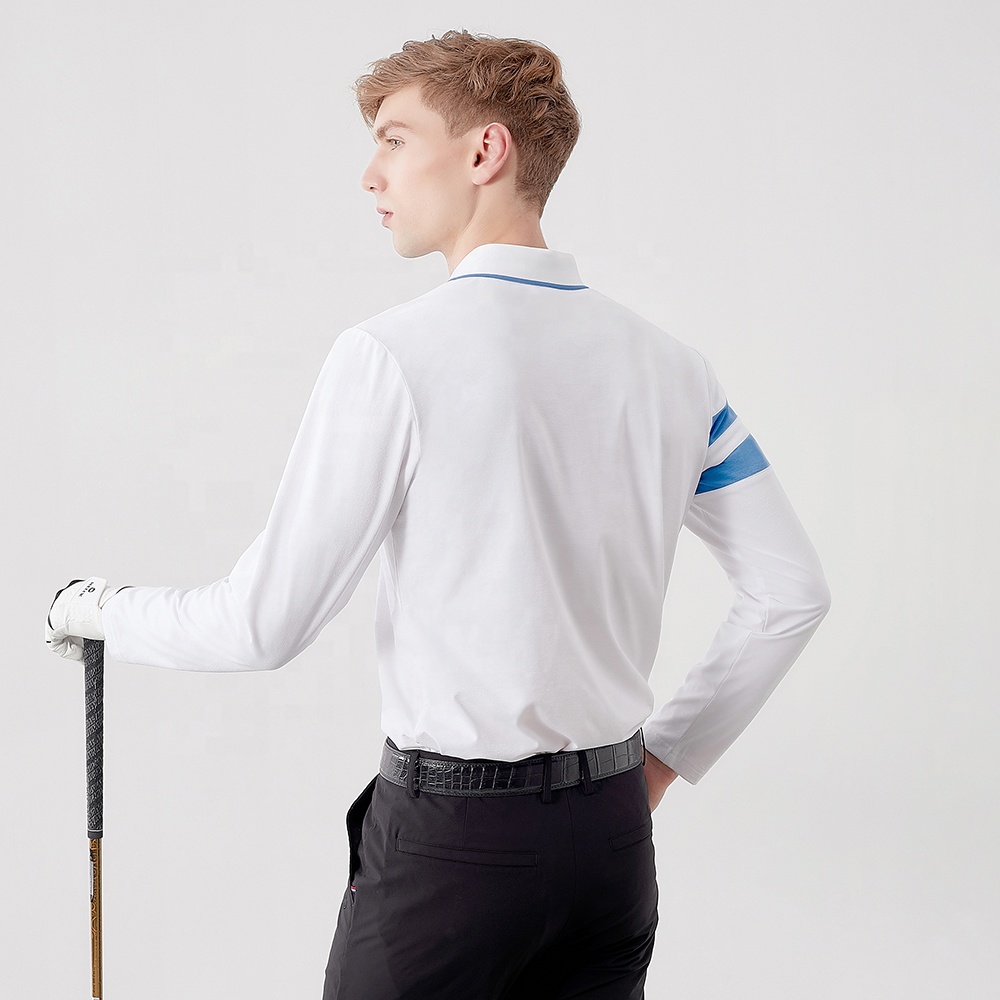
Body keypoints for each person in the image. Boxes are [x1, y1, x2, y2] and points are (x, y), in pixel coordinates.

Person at [45, 28, 831, 1000]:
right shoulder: (674, 371)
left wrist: (99, 611)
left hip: (456, 848)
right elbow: (791, 592)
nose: (369, 174)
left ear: (484, 151)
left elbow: (262, 625)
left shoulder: (391, 358)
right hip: (611, 847)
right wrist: (662, 762)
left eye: (394, 138)